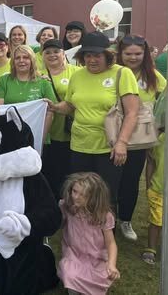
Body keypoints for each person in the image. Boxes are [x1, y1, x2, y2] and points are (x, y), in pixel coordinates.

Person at [48, 31, 139, 214]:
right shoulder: (77, 76)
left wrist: (122, 143)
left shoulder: (122, 73)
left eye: (97, 55)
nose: (92, 60)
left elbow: (132, 113)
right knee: (80, 194)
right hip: (79, 145)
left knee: (106, 196)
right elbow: (70, 105)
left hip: (109, 147)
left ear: (108, 55)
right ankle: (81, 230)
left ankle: (106, 231)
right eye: (88, 55)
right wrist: (55, 107)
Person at [115, 35, 166, 241]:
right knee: (111, 180)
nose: (133, 57)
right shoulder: (113, 72)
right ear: (120, 54)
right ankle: (108, 219)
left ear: (145, 54)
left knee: (130, 180)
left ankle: (125, 219)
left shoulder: (153, 76)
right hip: (112, 134)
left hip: (139, 139)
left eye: (138, 53)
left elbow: (165, 99)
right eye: (128, 53)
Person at [58, 172, 120, 295]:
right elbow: (56, 222)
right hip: (74, 255)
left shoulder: (104, 216)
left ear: (94, 197)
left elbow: (111, 243)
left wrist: (112, 264)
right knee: (70, 274)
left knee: (103, 276)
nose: (76, 197)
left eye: (83, 194)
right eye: (74, 191)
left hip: (97, 258)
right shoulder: (67, 207)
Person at [0, 45, 55, 143]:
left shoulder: (44, 83)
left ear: (32, 61)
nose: (21, 61)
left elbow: (50, 112)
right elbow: (0, 111)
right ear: (13, 61)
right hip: (10, 136)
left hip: (37, 135)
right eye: (17, 58)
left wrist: (40, 139)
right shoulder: (3, 81)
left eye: (26, 57)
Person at [41, 39, 79, 198]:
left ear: (63, 53)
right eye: (48, 52)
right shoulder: (38, 74)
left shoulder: (76, 72)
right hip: (49, 131)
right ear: (42, 55)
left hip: (70, 131)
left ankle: (67, 203)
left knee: (68, 173)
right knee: (49, 173)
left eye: (56, 51)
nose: (52, 55)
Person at [144, 132, 165, 265]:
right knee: (156, 220)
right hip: (159, 189)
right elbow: (151, 161)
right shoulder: (161, 139)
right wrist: (148, 184)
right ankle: (151, 249)